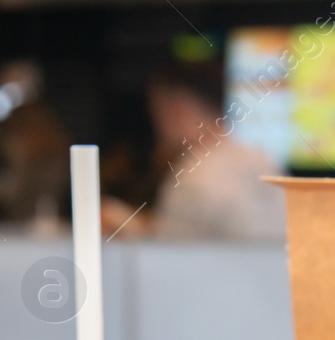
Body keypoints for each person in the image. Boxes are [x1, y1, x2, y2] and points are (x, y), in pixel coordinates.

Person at [102, 58, 287, 241]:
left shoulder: (193, 176)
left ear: (177, 110)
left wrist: (127, 228)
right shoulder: (262, 160)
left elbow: (169, 258)